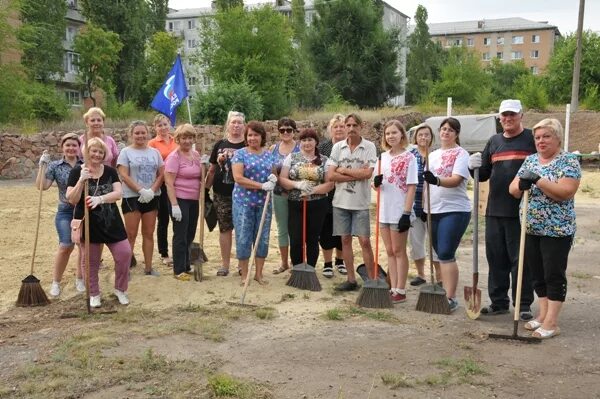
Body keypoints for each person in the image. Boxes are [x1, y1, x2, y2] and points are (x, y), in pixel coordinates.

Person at [509, 118, 580, 339]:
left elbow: (565, 192)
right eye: (538, 137)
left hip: (557, 229)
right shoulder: (530, 160)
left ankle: (552, 322)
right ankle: (542, 314)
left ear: (557, 137)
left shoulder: (569, 161)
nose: (541, 141)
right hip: (531, 227)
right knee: (537, 274)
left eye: (546, 136)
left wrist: (538, 180)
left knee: (553, 274)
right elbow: (513, 189)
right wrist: (521, 185)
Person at [468, 99, 536, 320]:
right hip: (494, 210)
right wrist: (474, 167)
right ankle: (498, 302)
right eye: (504, 115)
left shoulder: (531, 139)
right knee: (496, 258)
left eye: (512, 115)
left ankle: (522, 304)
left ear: (521, 116)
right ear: (499, 118)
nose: (508, 119)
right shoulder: (494, 141)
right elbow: (484, 174)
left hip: (521, 209)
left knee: (520, 259)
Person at [66, 137, 131, 308]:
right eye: (93, 151)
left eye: (100, 151)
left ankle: (120, 289)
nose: (97, 154)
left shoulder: (110, 171)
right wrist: (81, 180)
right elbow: (71, 199)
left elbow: (118, 193)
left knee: (124, 254)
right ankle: (94, 293)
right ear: (86, 152)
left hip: (111, 222)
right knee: (90, 261)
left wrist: (100, 199)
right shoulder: (76, 172)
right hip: (89, 223)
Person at [422, 117, 471, 312]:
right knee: (436, 253)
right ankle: (443, 290)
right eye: (443, 129)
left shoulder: (462, 154)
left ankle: (450, 297)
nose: (446, 133)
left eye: (450, 130)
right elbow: (425, 184)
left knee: (445, 253)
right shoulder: (432, 155)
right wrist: (423, 207)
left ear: (456, 134)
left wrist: (436, 181)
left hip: (454, 210)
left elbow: (457, 180)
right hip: (433, 209)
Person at [326, 113, 377, 291]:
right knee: (345, 240)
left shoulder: (369, 147)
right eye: (348, 125)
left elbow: (367, 174)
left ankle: (371, 281)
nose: (351, 128)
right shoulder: (337, 148)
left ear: (361, 127)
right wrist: (354, 173)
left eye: (355, 125)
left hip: (360, 203)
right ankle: (351, 279)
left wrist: (343, 170)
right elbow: (330, 175)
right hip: (340, 202)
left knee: (364, 241)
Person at [373, 120, 417, 303]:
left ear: (402, 135)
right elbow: (375, 185)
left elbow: (412, 186)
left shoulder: (409, 158)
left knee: (399, 251)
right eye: (387, 133)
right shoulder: (382, 158)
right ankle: (392, 287)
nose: (391, 136)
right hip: (384, 210)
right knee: (390, 250)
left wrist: (406, 213)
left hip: (400, 210)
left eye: (394, 133)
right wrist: (375, 183)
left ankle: (401, 289)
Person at [278, 129, 333, 274]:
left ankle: (310, 269)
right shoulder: (292, 157)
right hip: (296, 203)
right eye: (304, 140)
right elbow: (282, 179)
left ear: (316, 142)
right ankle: (297, 268)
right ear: (300, 142)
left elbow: (330, 184)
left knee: (312, 238)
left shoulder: (325, 160)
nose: (307, 143)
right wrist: (297, 185)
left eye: (310, 140)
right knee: (296, 238)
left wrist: (313, 190)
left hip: (318, 204)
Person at [36, 133, 84, 297]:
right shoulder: (55, 166)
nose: (71, 148)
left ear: (79, 148)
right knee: (66, 245)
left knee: (83, 247)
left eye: (74, 145)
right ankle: (56, 282)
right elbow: (42, 186)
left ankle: (80, 279)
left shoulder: (85, 165)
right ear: (62, 147)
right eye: (67, 145)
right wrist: (41, 167)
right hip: (65, 210)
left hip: (82, 211)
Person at [231, 121, 277, 285]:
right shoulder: (240, 154)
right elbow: (238, 178)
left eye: (256, 135)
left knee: (262, 238)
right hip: (244, 202)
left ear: (262, 136)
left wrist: (273, 179)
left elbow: (273, 173)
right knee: (244, 238)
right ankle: (244, 275)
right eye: (249, 135)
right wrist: (261, 186)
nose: (252, 138)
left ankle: (258, 274)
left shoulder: (268, 154)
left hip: (264, 203)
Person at [117, 121, 164, 277]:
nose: (140, 135)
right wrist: (140, 190)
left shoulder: (155, 153)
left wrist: (151, 190)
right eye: (137, 133)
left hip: (151, 197)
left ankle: (149, 268)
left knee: (149, 233)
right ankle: (126, 268)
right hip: (132, 197)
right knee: (131, 234)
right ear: (131, 135)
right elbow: (123, 174)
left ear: (147, 133)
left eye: (143, 132)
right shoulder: (125, 152)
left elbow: (161, 174)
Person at [206, 111, 246, 277]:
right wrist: (205, 190)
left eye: (239, 122)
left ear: (243, 125)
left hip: (243, 194)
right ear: (228, 125)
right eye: (233, 122)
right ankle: (225, 265)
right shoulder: (219, 144)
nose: (236, 125)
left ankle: (242, 264)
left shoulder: (247, 144)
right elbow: (213, 169)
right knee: (225, 229)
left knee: (243, 230)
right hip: (222, 193)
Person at [164, 124, 203, 281]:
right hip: (179, 199)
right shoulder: (174, 157)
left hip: (194, 200)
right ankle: (179, 269)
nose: (187, 141)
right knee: (180, 234)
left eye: (190, 138)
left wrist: (205, 166)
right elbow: (169, 182)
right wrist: (174, 205)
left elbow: (201, 177)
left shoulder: (196, 155)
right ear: (178, 139)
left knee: (190, 233)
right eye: (183, 138)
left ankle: (187, 264)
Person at [408, 124, 441, 286]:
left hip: (432, 203)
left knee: (434, 242)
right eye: (420, 135)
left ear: (431, 138)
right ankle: (421, 274)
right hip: (414, 204)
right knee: (416, 242)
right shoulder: (410, 155)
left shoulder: (436, 156)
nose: (423, 138)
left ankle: (439, 276)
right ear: (415, 138)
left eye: (427, 135)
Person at [318, 114, 347, 278]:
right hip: (327, 194)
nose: (339, 129)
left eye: (342, 126)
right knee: (327, 228)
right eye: (335, 126)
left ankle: (340, 260)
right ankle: (327, 263)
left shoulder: (350, 147)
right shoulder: (323, 148)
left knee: (343, 229)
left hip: (346, 193)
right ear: (330, 130)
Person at [270, 117, 300, 275]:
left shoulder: (301, 148)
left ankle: (299, 262)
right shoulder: (273, 148)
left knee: (297, 229)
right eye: (282, 130)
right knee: (282, 229)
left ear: (294, 131)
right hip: (279, 194)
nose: (286, 132)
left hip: (298, 194)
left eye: (289, 130)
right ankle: (284, 262)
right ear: (278, 131)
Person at [148, 113, 178, 266]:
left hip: (176, 184)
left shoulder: (176, 141)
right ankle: (164, 252)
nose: (163, 127)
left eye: (165, 124)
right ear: (155, 128)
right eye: (159, 125)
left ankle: (179, 250)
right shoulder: (152, 144)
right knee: (163, 219)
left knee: (177, 219)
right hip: (160, 185)